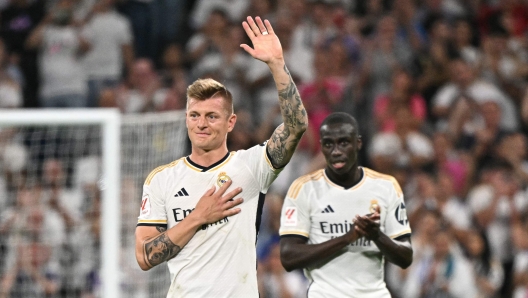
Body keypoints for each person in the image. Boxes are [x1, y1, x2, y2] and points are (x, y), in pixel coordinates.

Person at [134, 16, 308, 297]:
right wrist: (197, 217)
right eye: (195, 115)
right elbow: (144, 256)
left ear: (231, 122)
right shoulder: (162, 179)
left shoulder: (251, 166)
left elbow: (296, 127)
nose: (201, 124)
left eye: (212, 116)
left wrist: (277, 65)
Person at [279, 112, 413, 297]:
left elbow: (406, 257)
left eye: (343, 142)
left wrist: (376, 236)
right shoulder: (303, 189)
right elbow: (288, 256)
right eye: (328, 144)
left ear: (358, 143)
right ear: (321, 147)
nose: (336, 151)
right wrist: (346, 239)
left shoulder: (386, 187)